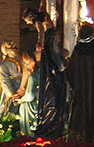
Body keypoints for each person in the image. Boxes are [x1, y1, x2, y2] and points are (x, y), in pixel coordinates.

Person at [22, 8, 67, 139]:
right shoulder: (44, 19)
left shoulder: (40, 25)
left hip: (48, 46)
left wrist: (40, 43)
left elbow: (41, 33)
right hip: (50, 45)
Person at [65, 23, 94, 142]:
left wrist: (69, 79)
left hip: (81, 88)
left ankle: (79, 137)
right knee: (92, 109)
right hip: (93, 89)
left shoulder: (78, 50)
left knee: (80, 111)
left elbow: (71, 70)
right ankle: (92, 136)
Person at [0, 41, 24, 116]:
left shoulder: (24, 59)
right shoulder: (5, 64)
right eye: (11, 47)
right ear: (6, 50)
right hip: (12, 87)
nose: (14, 49)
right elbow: (4, 80)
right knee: (10, 108)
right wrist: (11, 93)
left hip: (23, 86)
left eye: (14, 47)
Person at [17, 52, 40, 136]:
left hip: (31, 106)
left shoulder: (33, 77)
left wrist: (21, 100)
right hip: (42, 105)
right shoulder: (43, 74)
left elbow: (30, 96)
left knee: (29, 132)